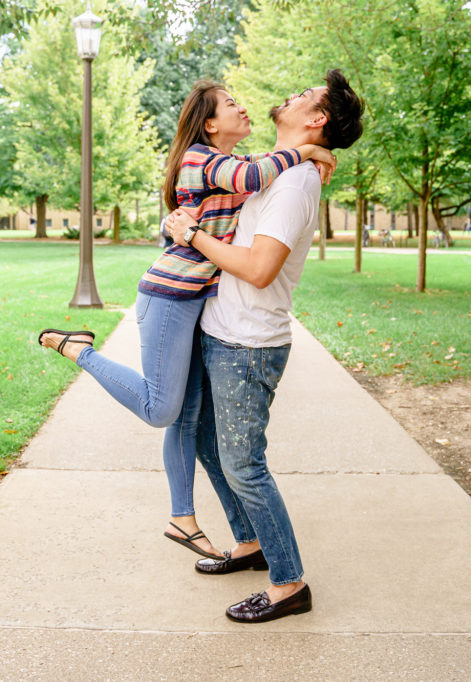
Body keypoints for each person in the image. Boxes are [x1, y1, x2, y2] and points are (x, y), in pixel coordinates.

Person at [38, 82, 337, 560]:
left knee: (188, 416)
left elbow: (257, 173)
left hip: (199, 303)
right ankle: (79, 349)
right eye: (231, 104)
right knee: (161, 409)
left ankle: (182, 518)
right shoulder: (199, 158)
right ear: (210, 124)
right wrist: (306, 149)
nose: (243, 106)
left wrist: (305, 156)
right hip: (169, 296)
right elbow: (257, 175)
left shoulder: (239, 167)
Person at [165, 69, 364, 623]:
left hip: (247, 345)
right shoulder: (280, 170)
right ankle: (250, 543)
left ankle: (288, 583)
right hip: (221, 330)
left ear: (316, 119)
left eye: (306, 96)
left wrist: (192, 234)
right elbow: (241, 173)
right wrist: (305, 153)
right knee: (207, 443)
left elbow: (257, 268)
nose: (292, 93)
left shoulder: (296, 185)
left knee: (244, 465)